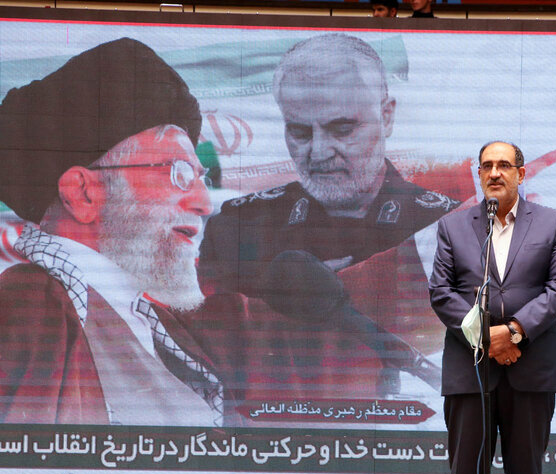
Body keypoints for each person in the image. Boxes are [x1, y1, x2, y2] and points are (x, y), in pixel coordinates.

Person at [198, 34, 457, 396]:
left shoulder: (441, 228)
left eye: (342, 129)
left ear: (387, 117)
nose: (318, 152)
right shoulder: (239, 229)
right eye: (300, 131)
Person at [0, 38, 226, 426]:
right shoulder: (30, 309)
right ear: (83, 193)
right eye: (178, 173)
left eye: (200, 178)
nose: (204, 202)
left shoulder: (156, 324)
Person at [429, 141, 556, 474]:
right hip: (470, 370)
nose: (495, 173)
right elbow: (442, 292)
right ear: (478, 174)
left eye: (504, 165)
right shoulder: (454, 226)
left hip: (531, 371)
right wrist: (486, 338)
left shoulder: (551, 223)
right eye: (487, 166)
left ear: (521, 174)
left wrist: (513, 333)